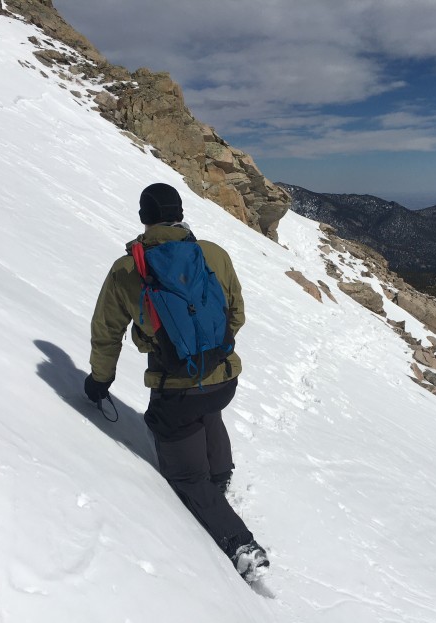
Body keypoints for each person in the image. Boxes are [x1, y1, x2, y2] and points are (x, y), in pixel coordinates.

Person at [84, 182, 269, 582]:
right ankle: (220, 474)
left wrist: (100, 382)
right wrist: (211, 353)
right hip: (223, 377)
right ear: (180, 212)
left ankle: (240, 543)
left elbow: (106, 332)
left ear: (143, 218)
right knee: (207, 407)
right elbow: (235, 312)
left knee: (185, 471)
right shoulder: (213, 255)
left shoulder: (129, 268)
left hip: (176, 389)